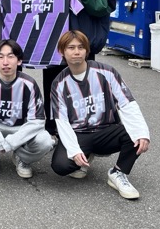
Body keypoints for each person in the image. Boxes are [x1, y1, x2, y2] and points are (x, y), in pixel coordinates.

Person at [50, 30, 150, 200]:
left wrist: (141, 132)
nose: (76, 52)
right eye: (71, 48)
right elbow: (62, 121)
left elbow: (127, 103)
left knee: (136, 134)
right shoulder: (59, 83)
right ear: (62, 52)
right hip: (79, 133)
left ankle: (118, 173)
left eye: (81, 47)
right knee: (60, 166)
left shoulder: (106, 72)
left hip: (106, 130)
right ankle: (85, 155)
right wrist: (74, 151)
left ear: (86, 50)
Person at [42, 0, 117, 135]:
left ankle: (84, 129)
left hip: (83, 43)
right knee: (53, 86)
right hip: (54, 45)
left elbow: (107, 5)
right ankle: (53, 128)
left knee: (83, 88)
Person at [0, 39, 54, 178]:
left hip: (19, 128)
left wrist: (10, 143)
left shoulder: (29, 84)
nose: (5, 62)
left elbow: (37, 121)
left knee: (45, 141)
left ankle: (23, 159)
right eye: (0, 57)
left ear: (19, 61)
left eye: (11, 56)